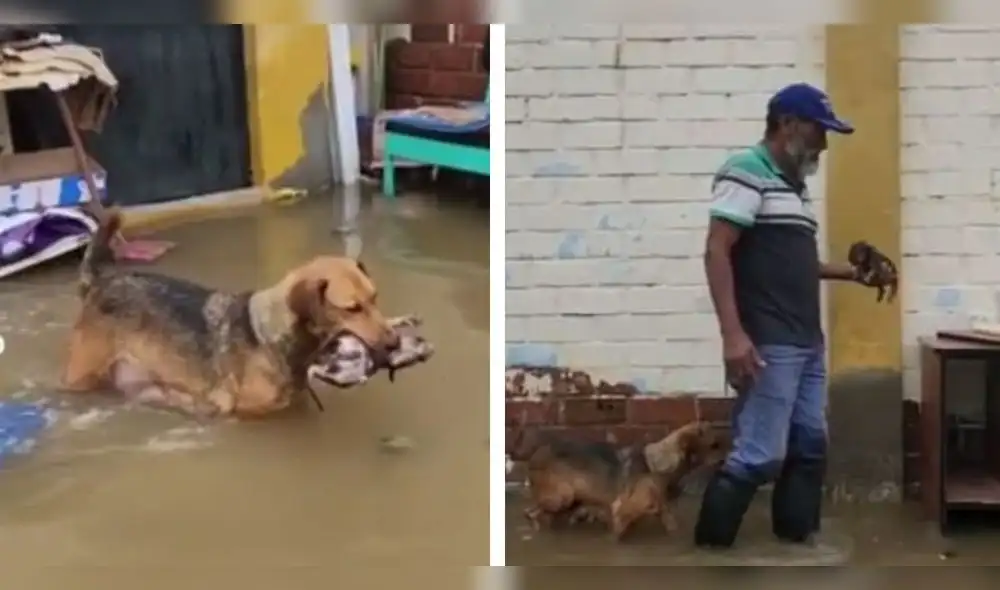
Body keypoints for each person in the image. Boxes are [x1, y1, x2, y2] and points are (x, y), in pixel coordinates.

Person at [695, 83, 888, 549]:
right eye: (819, 131)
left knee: (809, 444)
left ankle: (796, 546)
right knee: (759, 454)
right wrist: (733, 335)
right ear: (788, 125)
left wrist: (853, 274)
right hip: (770, 341)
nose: (824, 143)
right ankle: (709, 555)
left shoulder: (794, 189)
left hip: (806, 340)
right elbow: (717, 250)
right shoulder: (746, 171)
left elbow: (796, 264)